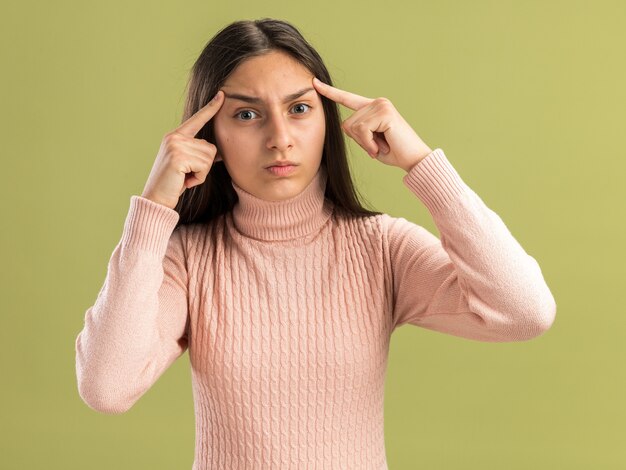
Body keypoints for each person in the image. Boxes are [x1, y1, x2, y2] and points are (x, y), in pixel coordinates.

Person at [74, 17, 557, 469]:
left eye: (299, 108)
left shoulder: (382, 248)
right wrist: (153, 211)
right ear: (208, 136)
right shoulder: (186, 258)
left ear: (326, 121)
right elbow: (106, 387)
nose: (279, 138)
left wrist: (423, 165)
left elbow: (524, 313)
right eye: (246, 114)